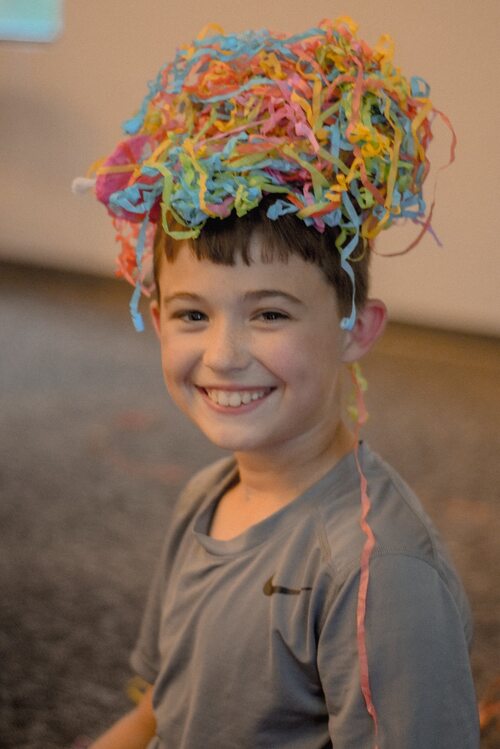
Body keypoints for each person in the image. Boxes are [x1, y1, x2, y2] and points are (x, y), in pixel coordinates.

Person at [76, 16, 479, 748]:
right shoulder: (205, 498)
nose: (224, 355)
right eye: (193, 314)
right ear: (156, 317)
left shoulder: (379, 572)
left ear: (355, 328)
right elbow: (160, 710)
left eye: (269, 313)